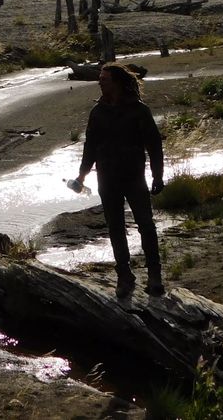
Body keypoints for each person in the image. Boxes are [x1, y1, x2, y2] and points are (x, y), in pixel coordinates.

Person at [72, 62, 165, 298]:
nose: (100, 82)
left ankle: (155, 276)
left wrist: (157, 175)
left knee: (146, 225)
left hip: (134, 177)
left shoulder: (138, 110)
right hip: (107, 178)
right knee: (115, 228)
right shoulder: (97, 112)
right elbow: (90, 147)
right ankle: (124, 275)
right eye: (100, 78)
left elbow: (154, 144)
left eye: (104, 79)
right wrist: (81, 177)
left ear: (118, 82)